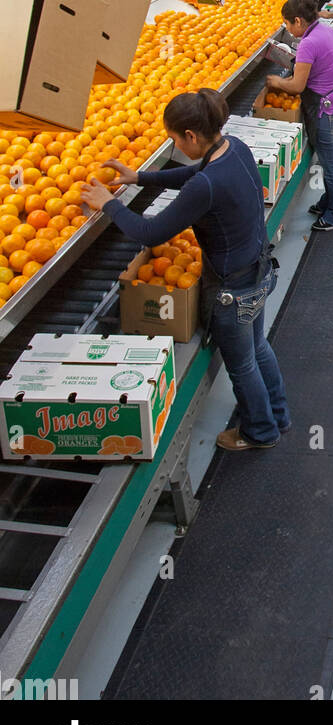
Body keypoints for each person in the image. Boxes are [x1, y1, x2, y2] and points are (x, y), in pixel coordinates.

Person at [80, 88, 289, 453]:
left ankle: (260, 431)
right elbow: (194, 174)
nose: (174, 145)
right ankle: (278, 414)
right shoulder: (233, 146)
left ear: (191, 135)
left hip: (232, 290)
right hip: (258, 271)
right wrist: (140, 178)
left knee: (241, 366)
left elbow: (151, 231)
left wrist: (110, 204)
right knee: (258, 349)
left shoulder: (206, 184)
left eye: (174, 139)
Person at [268, 0, 333, 232]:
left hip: (325, 110)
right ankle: (330, 202)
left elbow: (296, 87)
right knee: (327, 161)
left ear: (298, 20)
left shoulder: (308, 43)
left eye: (287, 23)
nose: (286, 28)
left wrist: (276, 82)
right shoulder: (324, 31)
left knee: (330, 163)